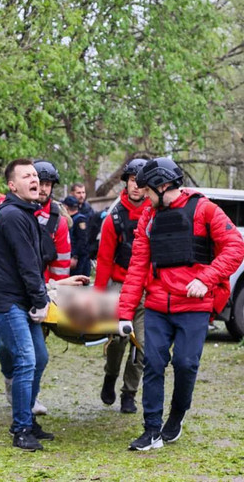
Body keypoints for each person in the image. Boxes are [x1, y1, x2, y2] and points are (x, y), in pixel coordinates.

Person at [117, 157, 244, 451]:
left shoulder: (205, 209)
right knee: (153, 363)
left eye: (147, 190)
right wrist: (125, 313)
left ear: (162, 186)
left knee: (186, 365)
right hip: (157, 306)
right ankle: (151, 430)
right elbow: (137, 266)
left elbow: (235, 246)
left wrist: (207, 278)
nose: (144, 197)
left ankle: (175, 419)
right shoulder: (148, 218)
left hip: (194, 308)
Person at [0, 159, 70, 415]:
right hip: (3, 288)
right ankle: (13, 385)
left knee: (36, 355)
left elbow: (61, 263)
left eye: (46, 184)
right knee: (5, 345)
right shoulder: (1, 208)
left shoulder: (57, 221)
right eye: (35, 181)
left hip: (36, 292)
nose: (41, 188)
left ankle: (29, 397)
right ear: (15, 185)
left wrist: (56, 294)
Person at [0, 159, 53, 452]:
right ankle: (21, 428)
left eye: (35, 175)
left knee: (40, 357)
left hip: (22, 301)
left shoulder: (28, 214)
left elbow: (34, 263)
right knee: (26, 360)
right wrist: (41, 301)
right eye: (27, 176)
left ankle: (27, 421)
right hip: (6, 302)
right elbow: (26, 264)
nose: (34, 180)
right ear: (12, 186)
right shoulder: (12, 215)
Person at [94, 159, 151, 413]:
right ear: (126, 183)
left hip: (147, 289)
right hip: (119, 286)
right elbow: (105, 260)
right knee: (118, 340)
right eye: (132, 180)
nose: (136, 186)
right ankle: (110, 376)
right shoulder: (114, 218)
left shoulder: (156, 216)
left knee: (144, 346)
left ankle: (129, 392)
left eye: (141, 182)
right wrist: (97, 296)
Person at [63, 196, 90, 277]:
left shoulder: (79, 220)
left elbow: (82, 241)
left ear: (66, 207)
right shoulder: (71, 219)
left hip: (80, 260)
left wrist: (75, 257)